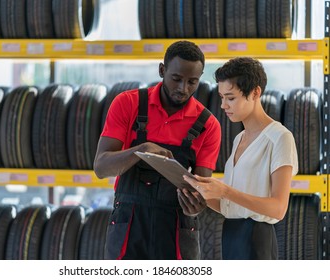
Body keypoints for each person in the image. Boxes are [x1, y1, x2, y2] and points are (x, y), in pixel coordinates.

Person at [94, 40, 221, 260]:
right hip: (129, 223)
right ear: (162, 70)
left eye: (192, 82)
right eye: (176, 79)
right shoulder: (127, 103)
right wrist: (139, 150)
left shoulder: (208, 125)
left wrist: (197, 205)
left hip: (177, 227)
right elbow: (101, 168)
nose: (183, 89)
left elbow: (201, 189)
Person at [183, 57, 298, 260]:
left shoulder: (280, 138)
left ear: (255, 93)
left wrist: (225, 190)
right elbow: (232, 207)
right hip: (230, 234)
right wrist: (202, 193)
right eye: (221, 97)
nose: (223, 105)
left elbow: (278, 209)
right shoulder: (239, 138)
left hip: (257, 239)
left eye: (231, 98)